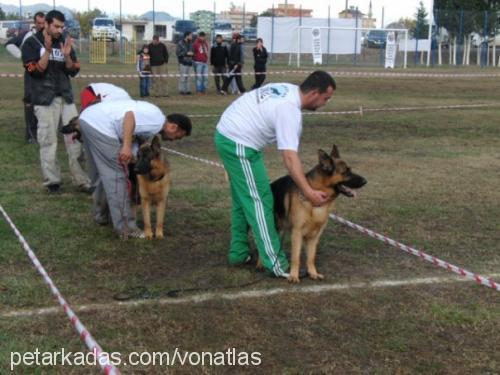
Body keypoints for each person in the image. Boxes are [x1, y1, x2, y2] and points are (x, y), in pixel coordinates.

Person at [214, 71, 336, 278]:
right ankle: (277, 264)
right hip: (239, 144)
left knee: (242, 200)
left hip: (229, 136)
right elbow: (289, 158)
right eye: (326, 98)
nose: (326, 103)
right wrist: (308, 191)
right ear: (315, 93)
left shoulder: (289, 91)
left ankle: (239, 253)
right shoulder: (288, 110)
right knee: (261, 202)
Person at [79, 100, 192, 238]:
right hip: (101, 126)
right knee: (116, 176)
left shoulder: (154, 115)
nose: (174, 140)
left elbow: (134, 132)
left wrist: (131, 153)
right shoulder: (157, 122)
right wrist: (126, 146)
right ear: (174, 127)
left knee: (103, 173)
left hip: (87, 119)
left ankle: (101, 215)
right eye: (177, 137)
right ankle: (126, 228)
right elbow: (129, 117)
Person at [22, 10, 91, 194]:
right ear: (46, 24)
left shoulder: (64, 40)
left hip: (66, 97)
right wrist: (48, 51)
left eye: (62, 26)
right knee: (48, 140)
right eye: (56, 26)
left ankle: (82, 180)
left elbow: (74, 70)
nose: (60, 30)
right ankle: (52, 182)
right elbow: (35, 71)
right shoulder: (31, 43)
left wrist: (67, 56)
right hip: (43, 99)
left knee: (75, 139)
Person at [5, 11, 45, 144]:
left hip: (46, 75)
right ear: (35, 23)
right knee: (30, 103)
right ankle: (30, 135)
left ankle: (43, 132)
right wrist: (22, 55)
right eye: (38, 23)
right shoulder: (27, 35)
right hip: (31, 75)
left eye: (43, 22)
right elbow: (9, 44)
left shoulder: (49, 36)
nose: (41, 25)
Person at [176, 31, 194, 95]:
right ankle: (182, 90)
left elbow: (193, 51)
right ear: (187, 36)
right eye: (190, 35)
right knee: (183, 77)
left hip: (190, 62)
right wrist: (186, 53)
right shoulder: (180, 43)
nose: (191, 37)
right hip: (183, 62)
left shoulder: (191, 43)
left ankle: (188, 90)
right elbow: (178, 53)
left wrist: (192, 54)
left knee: (189, 78)